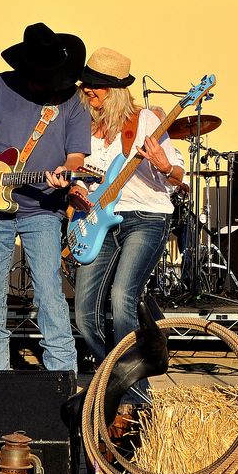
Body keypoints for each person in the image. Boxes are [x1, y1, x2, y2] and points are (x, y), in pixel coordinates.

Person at [0, 22, 91, 372]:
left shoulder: (72, 101)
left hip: (43, 209)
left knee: (49, 293)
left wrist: (65, 171)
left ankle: (62, 375)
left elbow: (77, 157)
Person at [68, 47, 184, 403]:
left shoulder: (145, 121)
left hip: (145, 217)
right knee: (84, 315)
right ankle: (118, 379)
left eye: (96, 85)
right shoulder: (81, 125)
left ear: (115, 90)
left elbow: (179, 176)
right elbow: (79, 172)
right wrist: (76, 189)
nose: (88, 90)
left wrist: (164, 165)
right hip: (98, 220)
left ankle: (135, 396)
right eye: (86, 84)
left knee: (122, 298)